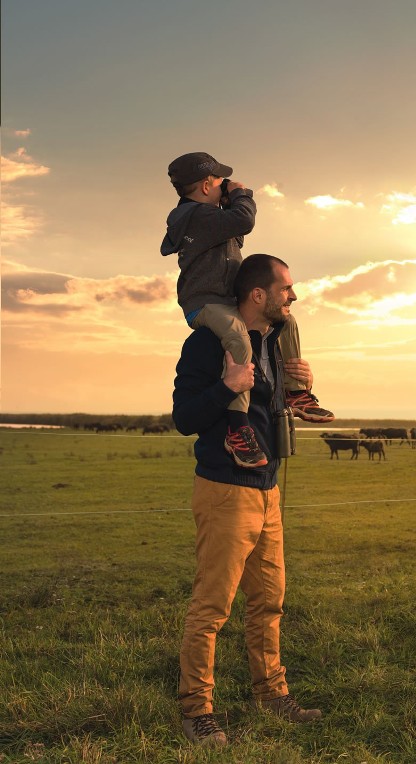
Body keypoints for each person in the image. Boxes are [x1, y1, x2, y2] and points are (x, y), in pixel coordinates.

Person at [172, 253, 322, 747]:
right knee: (213, 608)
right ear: (258, 294)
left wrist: (297, 392)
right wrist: (226, 387)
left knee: (269, 602)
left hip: (268, 490)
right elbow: (184, 416)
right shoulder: (206, 343)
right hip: (224, 491)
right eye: (286, 289)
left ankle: (272, 695)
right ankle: (197, 710)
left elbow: (265, 413)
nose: (292, 297)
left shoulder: (274, 343)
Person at [161, 152, 334, 469]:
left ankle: (298, 396)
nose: (292, 296)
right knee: (237, 336)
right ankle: (237, 428)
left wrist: (293, 382)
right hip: (204, 303)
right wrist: (240, 194)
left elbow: (235, 231)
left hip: (266, 489)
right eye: (218, 181)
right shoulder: (195, 218)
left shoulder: (267, 339)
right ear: (205, 185)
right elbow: (245, 221)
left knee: (287, 323)